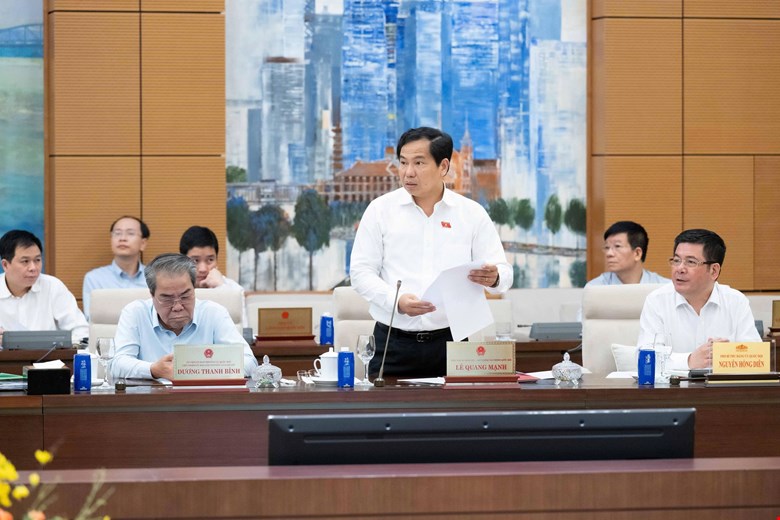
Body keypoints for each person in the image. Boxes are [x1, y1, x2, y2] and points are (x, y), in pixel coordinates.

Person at [350, 127, 512, 378]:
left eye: (419, 163)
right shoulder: (380, 210)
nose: (408, 172)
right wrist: (396, 301)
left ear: (443, 166)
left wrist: (494, 277)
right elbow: (361, 272)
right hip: (392, 345)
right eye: (403, 162)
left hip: (451, 344)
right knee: (385, 404)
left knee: (457, 406)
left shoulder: (471, 213)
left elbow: (504, 272)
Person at [111, 253, 257, 380]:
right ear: (152, 294)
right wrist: (153, 370)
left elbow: (249, 362)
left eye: (185, 296)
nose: (177, 307)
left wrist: (199, 370)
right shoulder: (135, 313)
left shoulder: (213, 313)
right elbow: (117, 364)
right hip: (152, 400)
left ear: (194, 289)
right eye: (167, 299)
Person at [637, 229, 761, 370]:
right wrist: (689, 360)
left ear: (714, 271)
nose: (680, 268)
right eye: (676, 260)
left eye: (690, 262)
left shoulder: (736, 301)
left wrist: (728, 355)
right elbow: (645, 358)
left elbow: (755, 358)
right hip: (674, 384)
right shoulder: (657, 301)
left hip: (720, 384)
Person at [0, 230, 88, 345]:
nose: (33, 268)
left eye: (37, 260)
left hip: (50, 356)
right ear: (5, 265)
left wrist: (62, 344)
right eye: (25, 261)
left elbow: (81, 332)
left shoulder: (53, 286)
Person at [82, 216, 150, 320]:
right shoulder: (94, 278)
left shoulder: (155, 278)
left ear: (143, 243)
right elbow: (92, 319)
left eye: (130, 233)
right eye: (117, 233)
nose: (122, 238)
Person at [179, 225, 248, 328]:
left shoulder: (234, 290)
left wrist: (221, 287)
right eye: (195, 261)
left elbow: (242, 330)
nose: (203, 269)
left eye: (210, 260)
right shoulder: (174, 291)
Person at [585, 221, 669, 287]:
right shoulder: (595, 288)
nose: (609, 254)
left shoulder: (663, 287)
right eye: (607, 247)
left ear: (637, 253)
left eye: (617, 246)